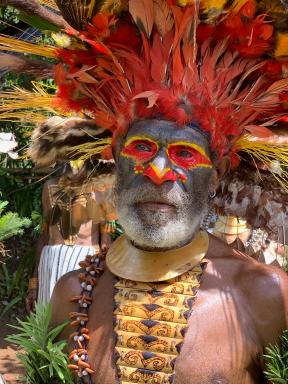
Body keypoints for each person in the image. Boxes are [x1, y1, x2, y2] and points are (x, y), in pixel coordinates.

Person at [1, 1, 288, 383]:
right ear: (115, 162)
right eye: (141, 149)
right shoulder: (72, 294)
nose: (157, 172)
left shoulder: (266, 296)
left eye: (185, 153)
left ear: (216, 176)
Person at [26, 117, 117, 312]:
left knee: (79, 326)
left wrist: (105, 282)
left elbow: (105, 242)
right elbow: (44, 236)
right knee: (48, 329)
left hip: (85, 263)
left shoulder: (102, 189)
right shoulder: (49, 188)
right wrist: (35, 282)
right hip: (51, 262)